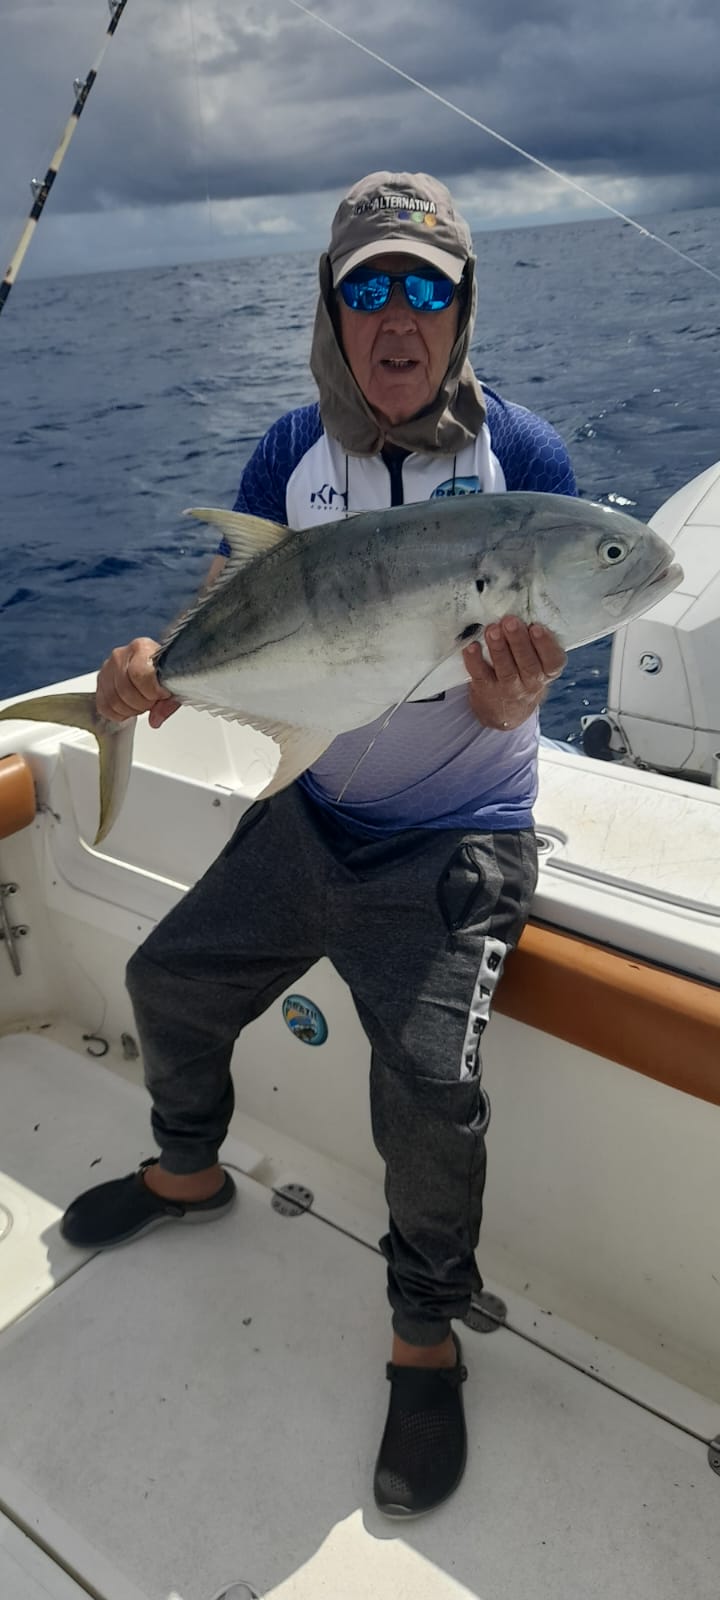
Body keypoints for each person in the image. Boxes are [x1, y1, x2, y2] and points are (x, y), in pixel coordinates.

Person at [60, 172, 575, 1519]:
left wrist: (515, 698)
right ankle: (187, 1168)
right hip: (310, 813)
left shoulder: (528, 466)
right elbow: (231, 632)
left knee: (425, 1085)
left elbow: (518, 686)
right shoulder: (285, 456)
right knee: (171, 979)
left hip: (458, 837)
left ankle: (424, 1333)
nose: (396, 315)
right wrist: (145, 679)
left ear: (461, 308)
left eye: (424, 286)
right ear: (332, 308)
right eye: (369, 286)